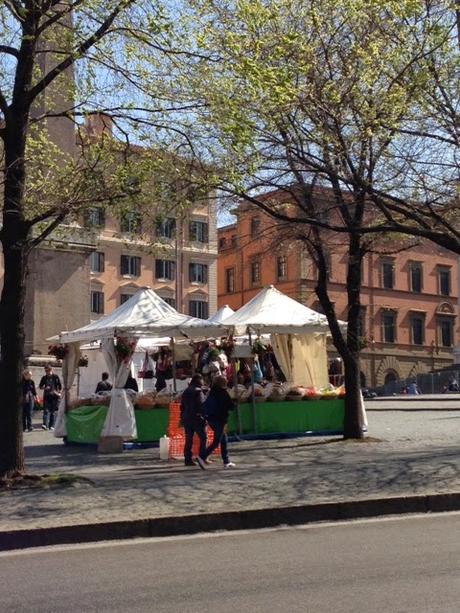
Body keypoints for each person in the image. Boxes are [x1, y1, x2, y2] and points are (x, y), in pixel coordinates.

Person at [196, 375, 236, 470]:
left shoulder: (211, 392)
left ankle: (226, 460)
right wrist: (234, 403)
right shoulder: (223, 393)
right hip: (220, 419)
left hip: (210, 419)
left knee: (223, 439)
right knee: (217, 440)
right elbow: (230, 406)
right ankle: (202, 457)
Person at [180, 374, 207, 466]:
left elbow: (182, 406)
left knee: (189, 439)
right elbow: (202, 405)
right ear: (199, 381)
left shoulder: (186, 391)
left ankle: (187, 459)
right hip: (197, 418)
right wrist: (204, 416)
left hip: (187, 418)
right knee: (203, 438)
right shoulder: (198, 392)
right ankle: (202, 457)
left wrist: (182, 417)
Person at [39, 364, 62, 431]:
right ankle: (44, 425)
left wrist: (58, 393)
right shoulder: (44, 377)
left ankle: (51, 425)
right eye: (46, 371)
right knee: (46, 411)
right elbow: (40, 386)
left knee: (53, 411)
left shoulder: (55, 377)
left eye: (48, 371)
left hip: (54, 396)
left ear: (51, 370)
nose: (47, 373)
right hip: (46, 396)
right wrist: (45, 387)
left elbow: (59, 386)